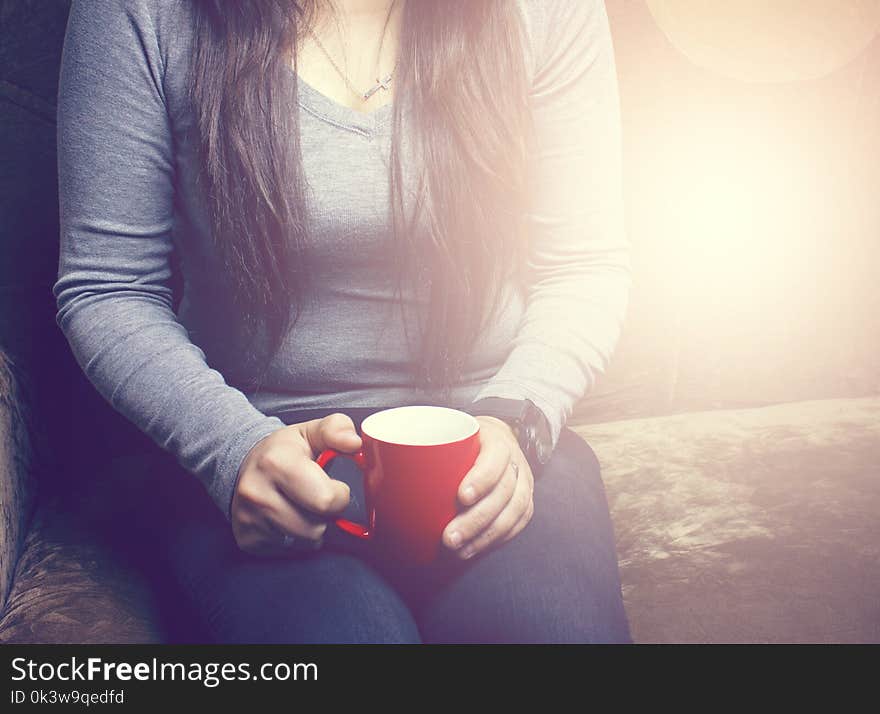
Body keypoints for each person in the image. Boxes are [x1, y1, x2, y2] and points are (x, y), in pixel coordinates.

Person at [54, 0, 633, 643]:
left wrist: (517, 418)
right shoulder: (140, 12)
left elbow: (584, 264)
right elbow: (108, 286)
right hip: (270, 456)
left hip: (489, 445)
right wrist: (234, 449)